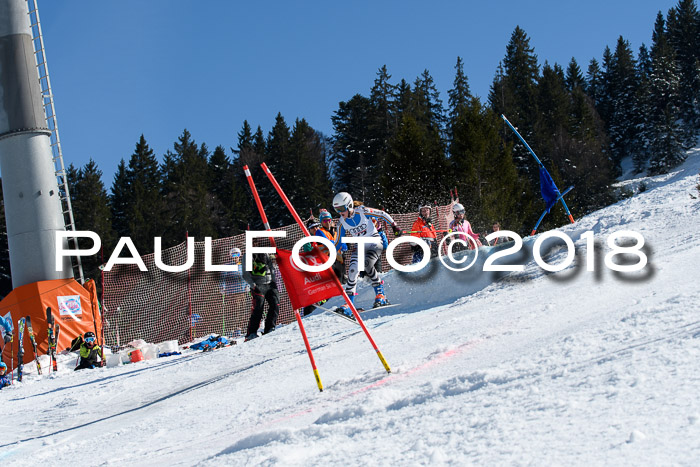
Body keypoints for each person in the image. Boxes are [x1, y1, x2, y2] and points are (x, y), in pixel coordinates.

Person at [332, 192, 402, 314]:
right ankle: (349, 304)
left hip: (375, 241)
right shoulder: (341, 223)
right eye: (337, 210)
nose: (340, 212)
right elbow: (337, 242)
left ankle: (381, 294)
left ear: (349, 206)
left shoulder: (362, 211)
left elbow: (382, 214)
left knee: (366, 264)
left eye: (342, 209)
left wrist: (394, 225)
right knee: (353, 270)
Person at [242, 248, 280, 341]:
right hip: (258, 284)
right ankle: (251, 333)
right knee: (258, 308)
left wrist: (274, 281)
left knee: (275, 304)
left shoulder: (265, 253)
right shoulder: (248, 255)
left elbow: (271, 268)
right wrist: (253, 285)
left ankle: (270, 328)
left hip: (270, 284)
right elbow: (245, 273)